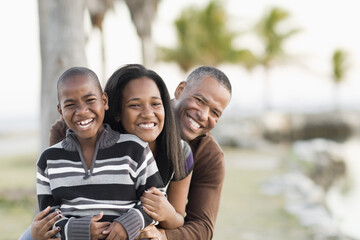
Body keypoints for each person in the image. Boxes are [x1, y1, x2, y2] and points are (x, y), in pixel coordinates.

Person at [21, 64, 194, 240]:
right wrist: (79, 231)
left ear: (104, 102)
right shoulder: (49, 159)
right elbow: (48, 215)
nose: (82, 111)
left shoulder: (135, 148)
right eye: (71, 104)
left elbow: (156, 202)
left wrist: (127, 225)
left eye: (90, 100)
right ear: (60, 110)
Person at [137, 66, 232, 240]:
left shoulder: (210, 155)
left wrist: (162, 236)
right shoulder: (140, 118)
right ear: (180, 90)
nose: (203, 115)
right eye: (200, 101)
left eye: (215, 113)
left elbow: (203, 227)